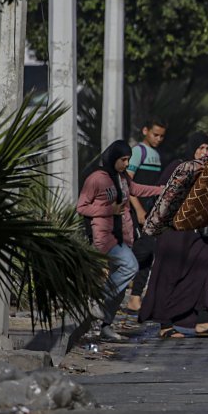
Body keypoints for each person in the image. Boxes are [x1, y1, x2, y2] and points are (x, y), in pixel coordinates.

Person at [139, 132, 208, 338]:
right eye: (200, 148)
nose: (204, 152)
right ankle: (165, 324)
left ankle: (203, 320)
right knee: (168, 275)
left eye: (207, 148)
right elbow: (163, 195)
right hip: (174, 232)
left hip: (196, 231)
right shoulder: (179, 167)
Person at [77, 140, 162, 341]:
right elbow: (81, 207)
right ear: (113, 158)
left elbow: (137, 189)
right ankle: (98, 298)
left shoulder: (122, 178)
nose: (126, 164)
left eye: (128, 160)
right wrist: (108, 210)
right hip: (103, 236)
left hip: (123, 236)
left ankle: (106, 325)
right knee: (130, 266)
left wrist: (162, 189)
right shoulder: (96, 179)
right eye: (123, 160)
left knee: (120, 287)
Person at [125, 118, 167, 313]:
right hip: (137, 211)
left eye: (161, 136)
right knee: (142, 250)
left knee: (148, 252)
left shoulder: (157, 155)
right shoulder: (138, 152)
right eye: (155, 134)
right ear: (145, 131)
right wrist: (139, 209)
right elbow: (129, 183)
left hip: (151, 212)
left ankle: (135, 297)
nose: (158, 139)